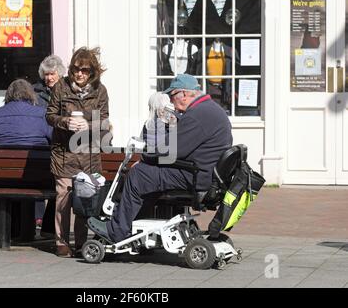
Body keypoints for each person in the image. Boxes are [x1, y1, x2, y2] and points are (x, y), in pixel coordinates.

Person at [88, 74, 232, 243]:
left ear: (184, 94)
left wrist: (144, 159)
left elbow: (171, 150)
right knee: (148, 176)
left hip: (196, 176)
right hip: (203, 173)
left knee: (138, 175)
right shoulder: (211, 109)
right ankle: (131, 225)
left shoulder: (198, 114)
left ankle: (116, 231)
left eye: (172, 97)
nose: (172, 102)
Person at [47, 47, 109, 257]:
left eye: (84, 70)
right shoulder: (61, 87)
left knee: (85, 199)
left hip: (88, 155)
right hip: (64, 154)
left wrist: (88, 125)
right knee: (63, 199)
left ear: (92, 72)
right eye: (75, 70)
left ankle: (82, 242)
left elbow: (105, 121)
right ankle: (61, 242)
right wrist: (65, 121)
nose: (79, 74)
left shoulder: (100, 90)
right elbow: (49, 115)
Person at [0, 79, 53, 239]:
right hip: (37, 178)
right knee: (62, 185)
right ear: (30, 95)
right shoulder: (43, 115)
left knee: (3, 181)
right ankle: (49, 229)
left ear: (8, 95)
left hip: (1, 179)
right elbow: (53, 142)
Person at [33, 55, 67, 230]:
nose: (49, 78)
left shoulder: (67, 91)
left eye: (52, 73)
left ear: (59, 74)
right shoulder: (35, 92)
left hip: (58, 142)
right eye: (46, 74)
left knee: (58, 181)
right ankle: (38, 217)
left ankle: (48, 222)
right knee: (38, 174)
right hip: (42, 141)